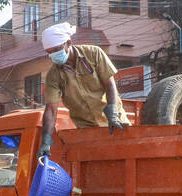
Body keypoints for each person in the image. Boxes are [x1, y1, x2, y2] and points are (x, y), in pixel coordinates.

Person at [38, 22, 129, 159]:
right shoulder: (53, 76)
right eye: (49, 52)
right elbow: (51, 109)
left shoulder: (93, 54)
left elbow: (110, 84)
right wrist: (46, 141)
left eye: (56, 49)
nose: (54, 55)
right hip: (87, 131)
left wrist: (113, 114)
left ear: (68, 43)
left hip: (115, 122)